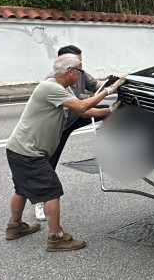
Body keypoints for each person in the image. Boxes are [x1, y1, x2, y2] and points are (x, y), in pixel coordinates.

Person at [4, 53, 125, 252]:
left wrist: (111, 111)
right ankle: (56, 238)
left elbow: (83, 113)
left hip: (19, 149)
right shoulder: (49, 87)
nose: (81, 75)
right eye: (80, 71)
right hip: (28, 152)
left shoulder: (61, 89)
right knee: (51, 191)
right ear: (71, 71)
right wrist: (109, 91)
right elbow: (82, 105)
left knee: (21, 188)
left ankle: (14, 227)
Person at [32, 44, 111, 221]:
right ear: (68, 67)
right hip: (58, 128)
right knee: (48, 165)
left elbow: (95, 85)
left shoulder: (79, 73)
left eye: (81, 61)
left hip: (75, 117)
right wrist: (107, 93)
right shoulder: (52, 84)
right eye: (78, 64)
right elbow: (83, 107)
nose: (81, 67)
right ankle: (40, 202)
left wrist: (114, 83)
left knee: (108, 110)